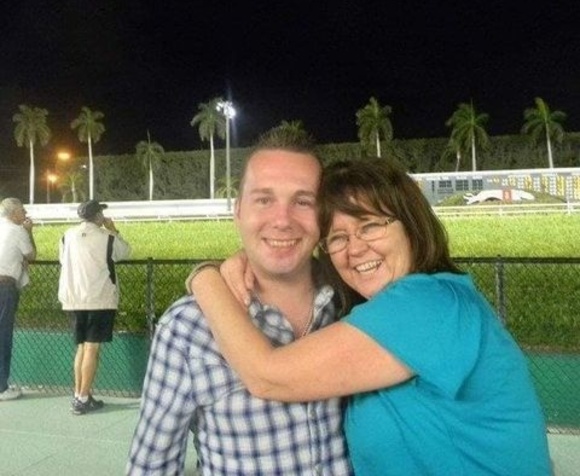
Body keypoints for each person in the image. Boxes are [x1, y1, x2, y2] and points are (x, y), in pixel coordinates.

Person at [191, 158, 552, 476]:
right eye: (337, 238)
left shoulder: (429, 304)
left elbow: (267, 377)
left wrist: (204, 278)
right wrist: (254, 261)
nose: (355, 249)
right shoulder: (374, 316)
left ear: (410, 224)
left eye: (370, 226)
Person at [127, 130, 353, 475]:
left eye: (303, 202)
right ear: (238, 211)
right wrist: (206, 275)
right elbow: (150, 466)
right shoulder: (187, 327)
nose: (282, 220)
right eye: (264, 200)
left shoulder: (355, 302)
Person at [58, 199, 131, 415]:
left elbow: (62, 260)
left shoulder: (66, 236)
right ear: (98, 216)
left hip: (73, 298)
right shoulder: (107, 237)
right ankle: (82, 398)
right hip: (99, 298)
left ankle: (80, 393)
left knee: (82, 348)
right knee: (92, 348)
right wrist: (114, 230)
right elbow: (125, 252)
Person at [0, 198, 36, 402]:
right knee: (3, 336)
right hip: (4, 287)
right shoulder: (17, 230)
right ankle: (1, 387)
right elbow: (31, 255)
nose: (25, 213)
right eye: (22, 210)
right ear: (13, 214)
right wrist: (29, 231)